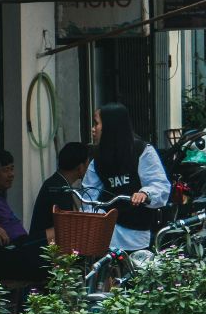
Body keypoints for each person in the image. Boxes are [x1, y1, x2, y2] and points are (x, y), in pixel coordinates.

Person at [83, 103, 171, 252]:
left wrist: (145, 193)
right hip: (108, 231)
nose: (93, 129)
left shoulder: (142, 151)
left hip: (136, 232)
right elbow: (89, 193)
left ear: (111, 125)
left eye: (96, 124)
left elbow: (159, 184)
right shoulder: (98, 158)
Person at [0, 149, 47, 286]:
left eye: (12, 169)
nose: (11, 174)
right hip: (6, 252)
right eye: (5, 170)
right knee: (59, 234)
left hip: (20, 246)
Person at [30, 142, 90, 245]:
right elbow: (66, 229)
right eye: (87, 164)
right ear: (80, 167)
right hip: (43, 248)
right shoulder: (59, 189)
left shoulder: (56, 182)